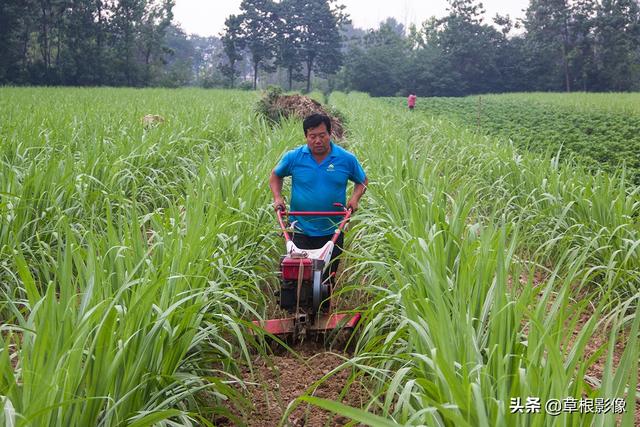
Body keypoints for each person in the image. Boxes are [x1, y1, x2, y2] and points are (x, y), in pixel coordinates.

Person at [269, 113, 368, 279]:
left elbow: (362, 180)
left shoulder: (345, 159)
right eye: (312, 136)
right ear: (306, 137)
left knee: (328, 277)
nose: (317, 141)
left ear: (330, 134)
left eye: (322, 135)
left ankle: (323, 303)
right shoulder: (294, 157)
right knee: (299, 276)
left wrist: (355, 199)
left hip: (333, 228)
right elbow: (275, 175)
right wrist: (278, 198)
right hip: (300, 228)